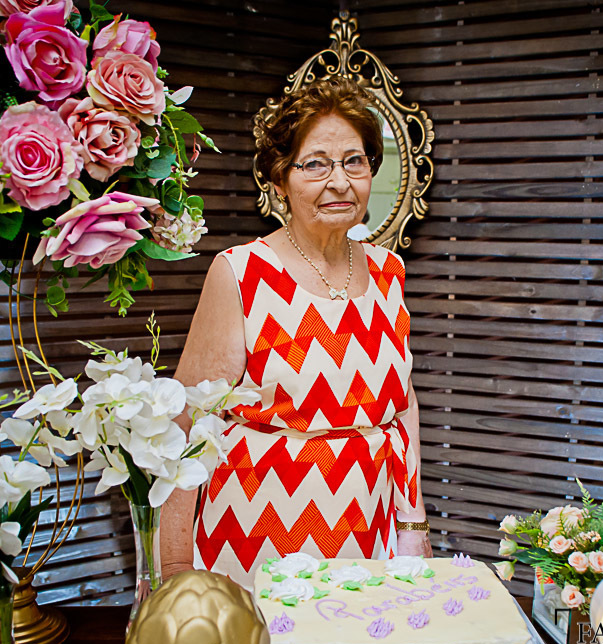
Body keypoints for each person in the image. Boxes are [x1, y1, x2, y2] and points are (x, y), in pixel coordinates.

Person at [159, 76, 430, 590]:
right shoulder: (241, 272)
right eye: (315, 164)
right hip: (258, 531)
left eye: (354, 161)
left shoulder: (388, 271)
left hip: (367, 528)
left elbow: (402, 404)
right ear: (279, 180)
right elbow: (188, 424)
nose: (339, 181)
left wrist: (412, 523)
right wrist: (172, 571)